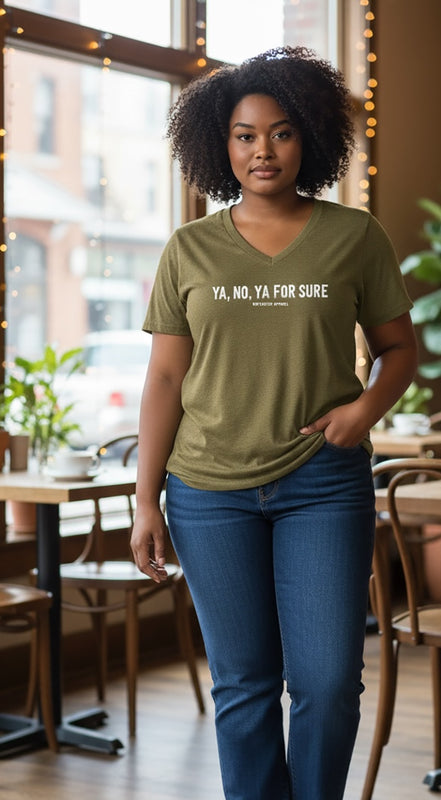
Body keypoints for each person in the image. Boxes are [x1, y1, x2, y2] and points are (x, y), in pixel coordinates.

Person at [130, 46, 417, 800]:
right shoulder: (188, 248)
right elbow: (164, 378)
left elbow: (397, 352)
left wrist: (363, 409)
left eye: (282, 133)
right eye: (245, 135)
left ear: (310, 140)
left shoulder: (354, 237)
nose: (264, 150)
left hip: (321, 480)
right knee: (243, 684)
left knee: (326, 679)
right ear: (219, 147)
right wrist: (143, 499)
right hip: (207, 488)